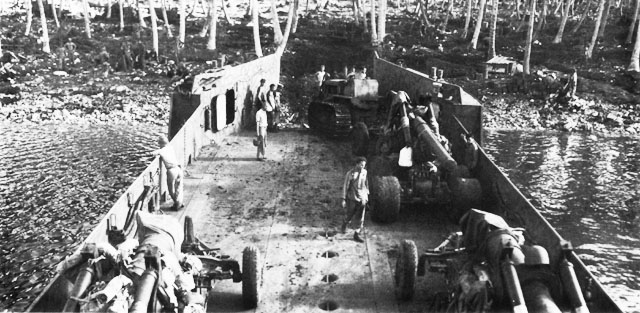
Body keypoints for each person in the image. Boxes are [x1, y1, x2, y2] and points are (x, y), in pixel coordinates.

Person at [341, 157, 369, 243]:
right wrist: (343, 199)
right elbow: (345, 186)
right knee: (350, 214)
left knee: (361, 218)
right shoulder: (350, 174)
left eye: (364, 165)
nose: (362, 167)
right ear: (356, 164)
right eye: (361, 165)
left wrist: (366, 196)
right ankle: (345, 223)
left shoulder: (365, 172)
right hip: (352, 198)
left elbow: (366, 185)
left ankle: (356, 234)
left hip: (362, 198)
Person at [154, 135, 184, 210]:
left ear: (161, 144)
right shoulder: (171, 148)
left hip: (171, 170)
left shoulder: (161, 150)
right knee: (178, 188)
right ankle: (180, 202)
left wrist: (158, 152)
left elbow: (153, 153)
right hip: (178, 168)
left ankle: (177, 203)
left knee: (170, 189)